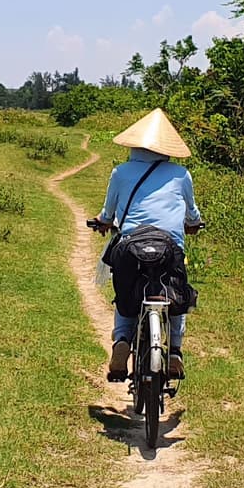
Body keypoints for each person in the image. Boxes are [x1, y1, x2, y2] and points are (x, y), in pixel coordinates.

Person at [95, 108, 202, 382]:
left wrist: (103, 222)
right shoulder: (181, 175)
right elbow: (192, 214)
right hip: (170, 249)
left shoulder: (120, 172)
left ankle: (121, 341)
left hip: (130, 245)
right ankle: (175, 351)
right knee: (177, 295)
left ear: (135, 145)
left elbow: (108, 214)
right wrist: (193, 225)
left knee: (126, 295)